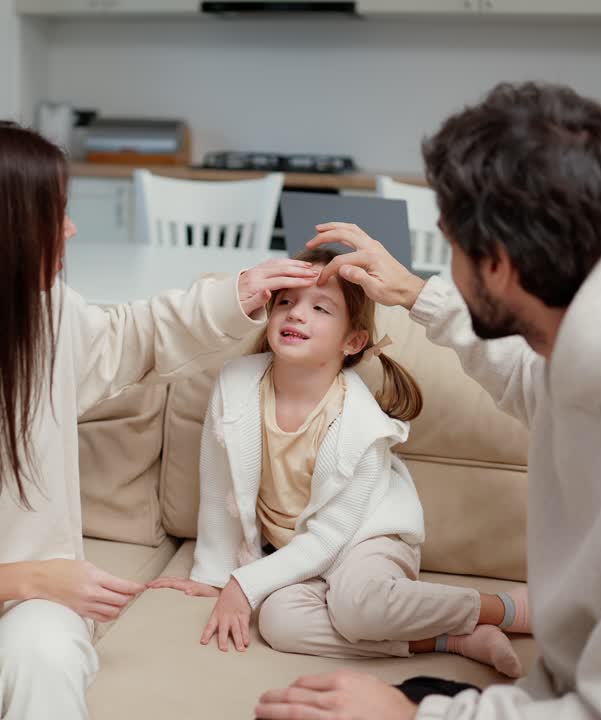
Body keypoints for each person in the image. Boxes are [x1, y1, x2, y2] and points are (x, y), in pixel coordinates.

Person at [256, 82, 601, 720]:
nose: (443, 265)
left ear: (500, 265)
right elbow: (526, 379)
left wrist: (411, 716)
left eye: (447, 247)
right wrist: (413, 293)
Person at [0, 117, 321, 720]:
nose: (69, 228)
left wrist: (239, 292)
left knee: (47, 658)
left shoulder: (46, 317)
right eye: (52, 214)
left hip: (35, 590)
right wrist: (30, 580)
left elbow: (131, 338)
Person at [148, 246, 530, 678]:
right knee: (279, 623)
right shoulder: (235, 385)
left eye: (320, 308)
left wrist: (243, 585)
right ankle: (453, 638)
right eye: (286, 302)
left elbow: (330, 538)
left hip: (364, 538)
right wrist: (214, 575)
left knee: (356, 607)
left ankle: (504, 609)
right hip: (300, 549)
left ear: (353, 341)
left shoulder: (361, 426)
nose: (296, 315)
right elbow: (219, 488)